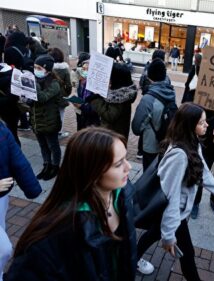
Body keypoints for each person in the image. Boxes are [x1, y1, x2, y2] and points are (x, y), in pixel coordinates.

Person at [4, 127, 138, 281]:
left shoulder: (122, 193)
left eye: (126, 158)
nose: (129, 167)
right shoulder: (58, 231)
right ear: (92, 171)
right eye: (118, 164)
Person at [136, 103, 214, 280]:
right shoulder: (179, 155)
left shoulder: (192, 142)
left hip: (176, 212)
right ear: (189, 125)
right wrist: (168, 235)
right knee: (187, 254)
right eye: (201, 122)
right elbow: (170, 197)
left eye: (206, 122)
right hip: (175, 212)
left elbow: (203, 171)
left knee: (153, 235)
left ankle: (131, 258)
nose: (206, 125)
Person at [0, 120, 41, 281]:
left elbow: (17, 158)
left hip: (2, 196)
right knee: (4, 249)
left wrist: (32, 187)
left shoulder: (2, 127)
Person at [132, 58, 176, 170]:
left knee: (148, 177)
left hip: (151, 147)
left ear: (150, 77)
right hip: (167, 144)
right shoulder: (171, 93)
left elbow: (136, 128)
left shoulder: (148, 99)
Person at [30, 55, 62, 181]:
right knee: (43, 146)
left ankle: (55, 166)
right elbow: (32, 101)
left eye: (38, 68)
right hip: (37, 121)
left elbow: (42, 98)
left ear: (47, 69)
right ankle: (46, 165)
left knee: (53, 146)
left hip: (49, 121)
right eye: (34, 67)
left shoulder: (54, 83)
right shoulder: (36, 80)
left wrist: (33, 85)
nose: (35, 70)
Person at [88, 63, 137, 140]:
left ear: (116, 79)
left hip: (111, 138)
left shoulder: (119, 97)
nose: (108, 79)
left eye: (110, 76)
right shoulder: (122, 92)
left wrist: (95, 100)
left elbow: (109, 115)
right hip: (114, 135)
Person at [71, 54, 100, 130]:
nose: (84, 71)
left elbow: (96, 109)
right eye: (83, 69)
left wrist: (82, 106)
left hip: (92, 121)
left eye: (87, 69)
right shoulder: (82, 82)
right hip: (81, 115)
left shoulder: (97, 86)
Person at [48, 47, 72, 138]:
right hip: (61, 95)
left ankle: (52, 131)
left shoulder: (49, 68)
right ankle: (60, 132)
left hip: (49, 94)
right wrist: (67, 93)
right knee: (61, 114)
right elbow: (68, 85)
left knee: (51, 113)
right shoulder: (64, 69)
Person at [0, 63, 20, 145]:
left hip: (9, 112)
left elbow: (11, 98)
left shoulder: (8, 78)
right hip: (12, 111)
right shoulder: (12, 74)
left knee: (11, 134)